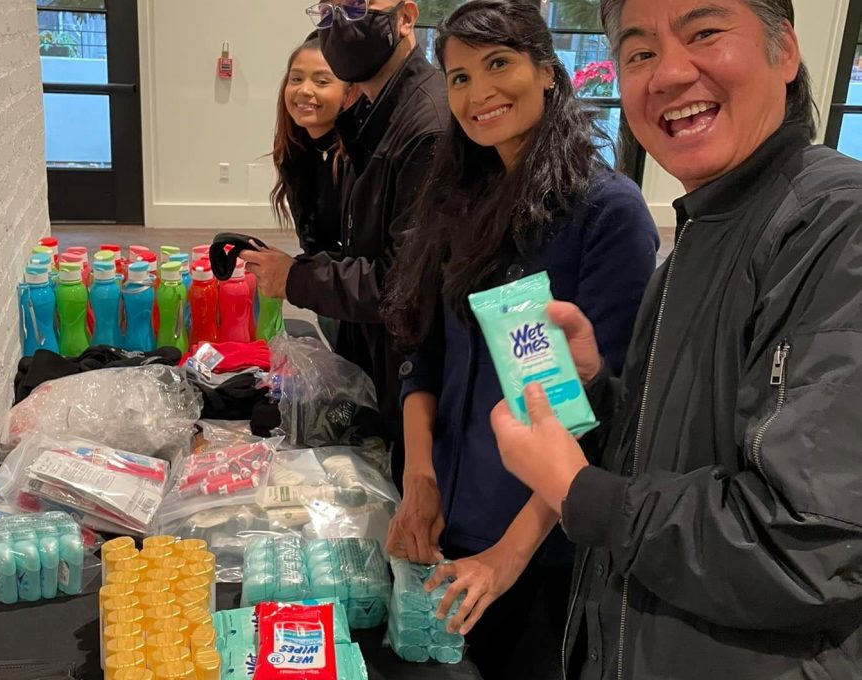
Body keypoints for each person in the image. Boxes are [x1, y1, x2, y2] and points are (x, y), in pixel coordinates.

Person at [489, 1, 862, 678]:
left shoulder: (837, 227)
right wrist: (594, 392)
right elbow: (676, 458)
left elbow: (809, 551)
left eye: (704, 34)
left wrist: (578, 491)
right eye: (639, 53)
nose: (668, 74)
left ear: (785, 54)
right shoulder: (697, 238)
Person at [380, 2, 658, 677]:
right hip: (449, 515)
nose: (479, 94)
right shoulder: (458, 198)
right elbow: (423, 351)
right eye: (459, 78)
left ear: (547, 72)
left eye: (498, 64)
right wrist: (420, 478)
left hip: (541, 546)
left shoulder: (606, 212)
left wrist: (506, 556)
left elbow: (603, 414)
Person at [242, 0, 450, 484]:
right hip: (379, 354)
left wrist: (294, 278)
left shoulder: (425, 126)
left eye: (359, 6)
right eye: (330, 8)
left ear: (405, 16)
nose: (342, 22)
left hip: (414, 371)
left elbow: (399, 286)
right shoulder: (377, 121)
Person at [270, 33, 349, 256]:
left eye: (321, 81)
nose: (304, 90)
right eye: (295, 79)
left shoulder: (358, 160)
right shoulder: (296, 151)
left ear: (349, 92)